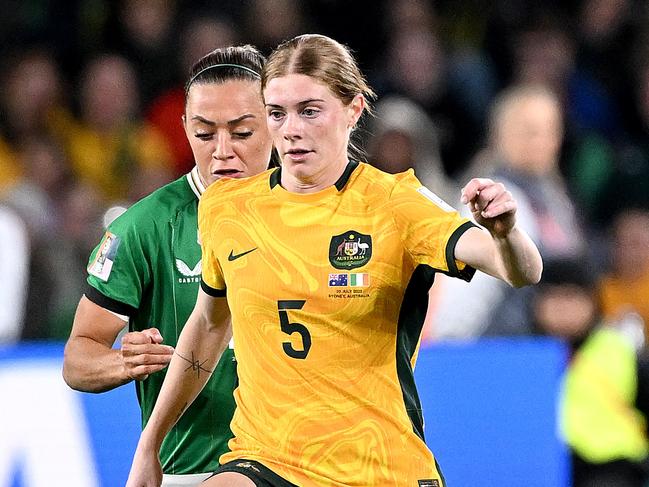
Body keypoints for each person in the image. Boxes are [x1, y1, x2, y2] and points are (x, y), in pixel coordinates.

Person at [126, 34, 542, 487]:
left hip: (379, 469)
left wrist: (505, 233)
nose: (291, 129)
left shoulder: (395, 203)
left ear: (353, 110)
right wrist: (150, 444)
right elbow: (206, 326)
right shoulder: (228, 208)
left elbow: (522, 270)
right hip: (267, 460)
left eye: (309, 110)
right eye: (277, 112)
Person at [62, 45, 274, 487]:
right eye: (204, 133)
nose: (222, 151)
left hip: (302, 466)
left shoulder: (315, 213)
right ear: (183, 129)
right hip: (192, 472)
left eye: (241, 132)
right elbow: (77, 358)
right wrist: (124, 362)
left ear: (275, 119)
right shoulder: (144, 227)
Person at [532, 258, 649, 487]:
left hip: (613, 467)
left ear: (592, 302)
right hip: (544, 465)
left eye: (571, 296)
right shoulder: (521, 354)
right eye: (553, 296)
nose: (562, 307)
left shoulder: (619, 349)